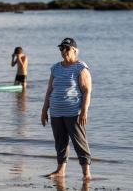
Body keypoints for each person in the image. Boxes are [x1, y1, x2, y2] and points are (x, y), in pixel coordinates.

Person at [41, 38, 92, 181]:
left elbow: (87, 91)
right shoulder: (55, 68)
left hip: (73, 112)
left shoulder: (80, 67)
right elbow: (49, 90)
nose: (63, 51)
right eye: (61, 48)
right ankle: (60, 171)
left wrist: (84, 111)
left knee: (79, 142)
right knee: (60, 142)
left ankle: (86, 173)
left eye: (66, 48)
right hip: (56, 112)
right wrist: (44, 109)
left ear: (75, 50)